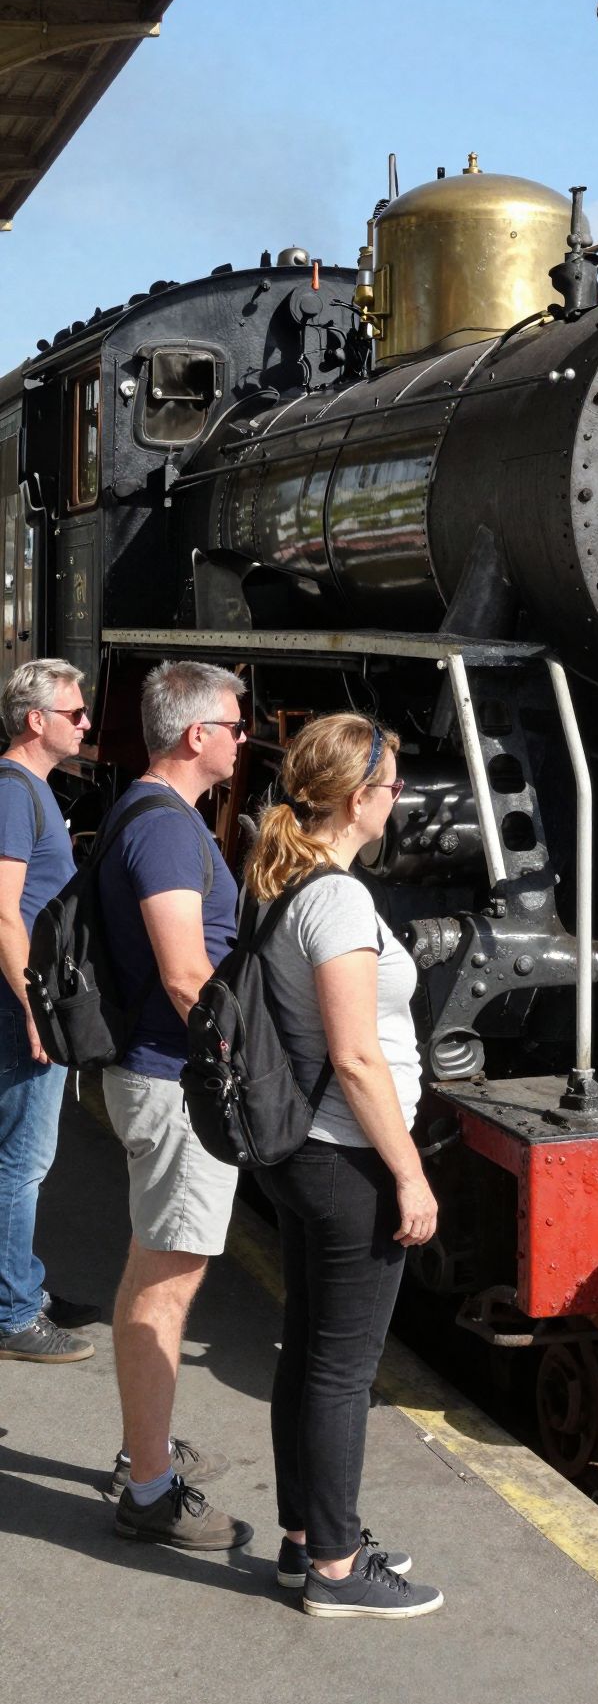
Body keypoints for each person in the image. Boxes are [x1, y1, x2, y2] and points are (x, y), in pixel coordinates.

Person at [247, 712, 443, 1619]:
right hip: (348, 1160)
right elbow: (358, 1057)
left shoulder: (298, 883)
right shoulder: (338, 900)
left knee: (312, 1356)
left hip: (311, 1157)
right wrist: (408, 1173)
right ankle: (334, 1568)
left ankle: (304, 1540)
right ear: (360, 799)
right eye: (394, 786)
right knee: (341, 1369)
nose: (399, 799)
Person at [101, 659, 251, 1551]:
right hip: (172, 1082)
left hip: (154, 1075)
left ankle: (143, 1447)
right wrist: (250, 1059)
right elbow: (186, 973)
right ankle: (150, 1490)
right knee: (166, 1280)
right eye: (235, 726)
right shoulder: (165, 831)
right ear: (198, 736)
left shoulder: (152, 812)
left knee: (150, 1267)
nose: (243, 738)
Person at [0, 658, 101, 1363]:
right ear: (37, 721)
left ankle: (21, 1288)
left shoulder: (31, 791)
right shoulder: (14, 794)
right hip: (17, 1008)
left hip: (21, 1002)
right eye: (76, 713)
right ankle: (11, 1313)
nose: (88, 723)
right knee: (22, 1162)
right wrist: (35, 1008)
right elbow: (3, 915)